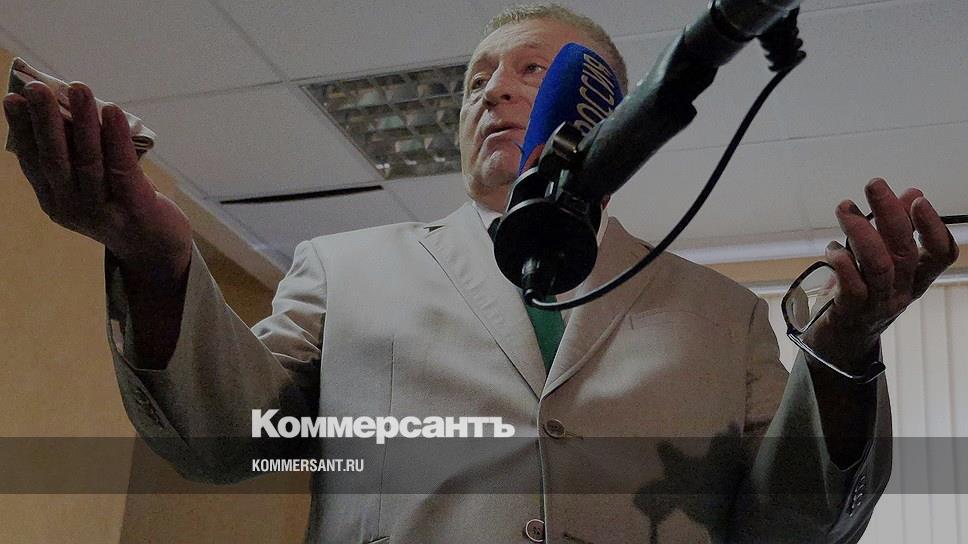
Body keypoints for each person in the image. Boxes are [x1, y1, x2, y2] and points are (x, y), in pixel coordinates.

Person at [3, 4, 959, 543]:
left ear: (613, 114)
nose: (495, 90)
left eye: (533, 73)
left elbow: (797, 529)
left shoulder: (723, 315)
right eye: (478, 81)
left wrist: (845, 351)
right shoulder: (342, 270)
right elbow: (224, 443)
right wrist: (156, 257)